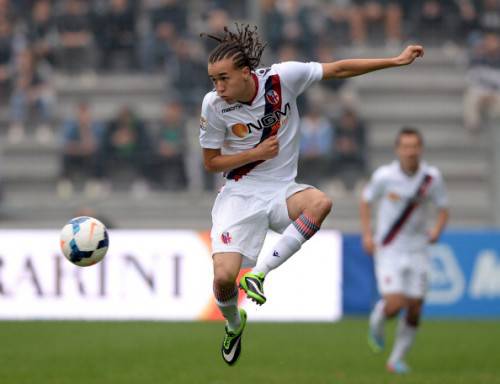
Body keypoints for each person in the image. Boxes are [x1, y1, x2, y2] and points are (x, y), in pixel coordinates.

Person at [199, 23, 424, 366]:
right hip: (239, 194)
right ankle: (233, 323)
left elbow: (339, 69)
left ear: (246, 72)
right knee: (224, 278)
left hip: (281, 190)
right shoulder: (213, 106)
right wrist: (253, 155)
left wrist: (395, 60)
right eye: (214, 80)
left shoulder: (282, 78)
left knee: (321, 202)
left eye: (224, 78)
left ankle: (260, 274)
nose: (218, 87)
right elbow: (211, 162)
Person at [360, 128, 449, 374]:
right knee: (396, 303)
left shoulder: (432, 178)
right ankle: (378, 317)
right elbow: (366, 200)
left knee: (416, 306)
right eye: (406, 147)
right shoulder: (384, 176)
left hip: (418, 247)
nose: (410, 151)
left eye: (414, 147)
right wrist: (367, 234)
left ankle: (396, 359)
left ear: (421, 149)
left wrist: (437, 230)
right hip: (389, 246)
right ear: (398, 150)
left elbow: (443, 207)